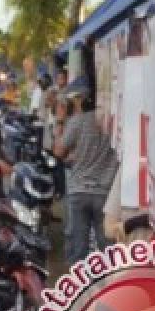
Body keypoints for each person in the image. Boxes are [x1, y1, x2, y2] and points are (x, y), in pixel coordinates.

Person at [53, 78, 119, 265]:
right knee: (107, 246)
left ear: (80, 100)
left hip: (79, 191)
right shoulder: (112, 121)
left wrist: (59, 122)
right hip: (105, 192)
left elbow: (59, 151)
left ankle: (78, 288)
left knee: (78, 248)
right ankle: (110, 287)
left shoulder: (77, 122)